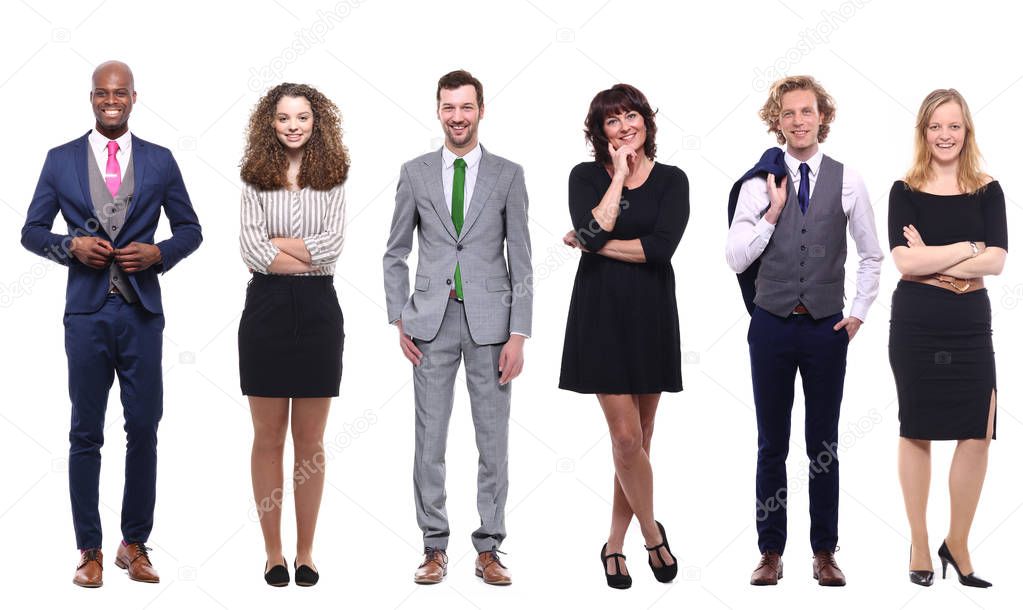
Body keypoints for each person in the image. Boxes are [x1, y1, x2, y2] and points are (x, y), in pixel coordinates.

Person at [21, 60, 202, 587]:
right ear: (92, 98)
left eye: (119, 92)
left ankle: (135, 544)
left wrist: (159, 253)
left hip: (141, 315)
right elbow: (31, 231)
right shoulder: (60, 161)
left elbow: (191, 229)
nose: (111, 100)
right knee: (85, 432)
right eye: (102, 93)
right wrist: (69, 247)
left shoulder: (161, 161)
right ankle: (89, 549)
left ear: (134, 97)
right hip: (86, 315)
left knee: (144, 428)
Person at [725, 75, 883, 587]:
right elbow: (735, 258)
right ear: (778, 121)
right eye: (789, 113)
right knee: (771, 443)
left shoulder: (849, 179)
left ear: (822, 117)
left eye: (807, 111)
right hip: (770, 325)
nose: (799, 121)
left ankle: (824, 551)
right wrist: (772, 213)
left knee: (823, 445)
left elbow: (871, 254)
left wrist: (856, 312)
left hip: (824, 329)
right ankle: (770, 551)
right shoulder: (759, 182)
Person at [382, 69, 532, 586]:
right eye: (449, 107)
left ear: (481, 110)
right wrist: (400, 315)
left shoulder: (508, 174)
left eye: (466, 107)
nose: (458, 116)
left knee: (493, 442)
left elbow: (523, 260)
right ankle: (433, 545)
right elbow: (395, 251)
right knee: (431, 439)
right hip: (430, 324)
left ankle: (489, 547)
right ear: (438, 110)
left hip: (493, 327)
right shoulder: (415, 171)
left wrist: (519, 333)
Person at [560, 84, 688, 589]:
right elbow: (595, 232)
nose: (625, 126)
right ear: (601, 133)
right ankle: (653, 533)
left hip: (652, 314)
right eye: (613, 121)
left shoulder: (673, 180)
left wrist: (592, 242)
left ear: (646, 121)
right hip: (601, 316)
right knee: (626, 437)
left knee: (640, 441)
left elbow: (659, 250)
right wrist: (616, 178)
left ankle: (614, 545)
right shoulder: (585, 176)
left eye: (631, 116)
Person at [888, 89, 1005, 589]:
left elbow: (998, 261)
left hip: (969, 321)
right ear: (923, 131)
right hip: (917, 319)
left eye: (954, 126)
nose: (945, 135)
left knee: (978, 430)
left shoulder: (987, 188)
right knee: (916, 427)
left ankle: (956, 542)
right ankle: (919, 540)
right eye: (936, 126)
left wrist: (934, 254)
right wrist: (965, 247)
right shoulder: (904, 189)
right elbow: (905, 262)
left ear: (966, 131)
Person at [238, 82, 349, 587]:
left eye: (302, 117)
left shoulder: (334, 178)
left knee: (311, 440)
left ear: (316, 121)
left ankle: (306, 552)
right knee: (267, 438)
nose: (293, 126)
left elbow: (332, 249)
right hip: (264, 310)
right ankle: (273, 552)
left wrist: (279, 245)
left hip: (319, 310)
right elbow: (250, 250)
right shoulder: (253, 180)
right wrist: (296, 251)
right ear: (270, 123)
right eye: (283, 118)